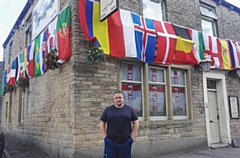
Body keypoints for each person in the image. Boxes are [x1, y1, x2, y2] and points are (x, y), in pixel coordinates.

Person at [100, 90, 139, 158]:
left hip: (126, 143)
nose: (118, 99)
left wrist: (132, 137)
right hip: (110, 143)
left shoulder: (129, 110)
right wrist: (105, 137)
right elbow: (102, 123)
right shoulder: (108, 110)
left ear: (123, 98)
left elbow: (136, 122)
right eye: (116, 98)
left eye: (120, 97)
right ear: (114, 100)